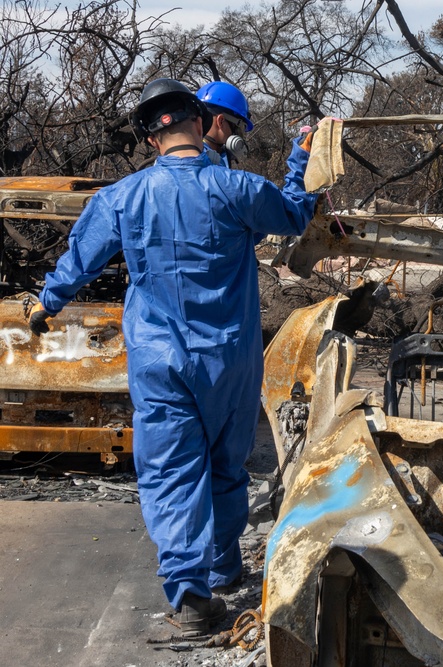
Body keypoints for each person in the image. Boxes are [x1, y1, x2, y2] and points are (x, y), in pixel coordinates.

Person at [26, 78, 319, 636]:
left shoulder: (122, 197)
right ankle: (226, 565)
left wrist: (45, 303)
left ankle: (190, 594)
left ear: (149, 138)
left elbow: (79, 263)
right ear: (200, 121)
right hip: (229, 358)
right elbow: (296, 215)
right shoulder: (239, 189)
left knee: (171, 472)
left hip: (159, 360)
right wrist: (299, 158)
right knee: (227, 467)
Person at [196, 80, 254, 167]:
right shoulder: (203, 163)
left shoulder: (215, 157)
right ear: (221, 121)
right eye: (239, 128)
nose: (239, 136)